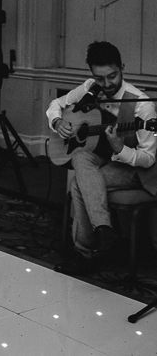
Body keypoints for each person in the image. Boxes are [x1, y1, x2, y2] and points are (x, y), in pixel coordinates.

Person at [47, 41, 157, 274]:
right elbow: (56, 104)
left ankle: (86, 252)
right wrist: (57, 122)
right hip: (102, 160)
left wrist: (120, 149)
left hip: (135, 170)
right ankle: (105, 232)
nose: (106, 84)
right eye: (99, 78)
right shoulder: (90, 87)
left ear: (122, 68)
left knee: (79, 183)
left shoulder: (141, 104)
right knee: (80, 157)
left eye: (112, 76)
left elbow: (148, 159)